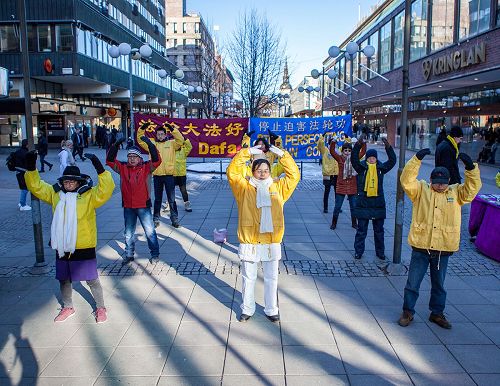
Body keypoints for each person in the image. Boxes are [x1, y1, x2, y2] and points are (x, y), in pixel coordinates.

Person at [24, 151, 115, 323]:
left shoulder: (89, 195)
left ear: (78, 181)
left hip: (83, 244)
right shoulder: (55, 193)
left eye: (72, 181)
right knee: (64, 279)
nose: (69, 184)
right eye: (66, 181)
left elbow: (106, 189)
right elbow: (36, 186)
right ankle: (67, 307)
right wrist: (31, 167)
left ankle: (101, 307)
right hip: (62, 245)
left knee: (91, 279)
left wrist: (100, 168)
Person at [398, 148, 481, 329]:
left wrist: (471, 168)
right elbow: (406, 181)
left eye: (443, 183)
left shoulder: (456, 193)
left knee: (439, 284)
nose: (440, 186)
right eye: (436, 183)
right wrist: (416, 159)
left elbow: (472, 189)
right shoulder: (421, 190)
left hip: (443, 248)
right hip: (421, 246)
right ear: (431, 181)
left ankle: (437, 313)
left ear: (449, 181)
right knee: (413, 282)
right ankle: (408, 311)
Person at [227, 143, 300, 323]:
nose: (262, 172)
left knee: (271, 277)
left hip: (271, 239)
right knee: (248, 277)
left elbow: (294, 175)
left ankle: (271, 309)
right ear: (252, 170)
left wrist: (278, 152)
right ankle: (247, 308)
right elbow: (232, 172)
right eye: (258, 169)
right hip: (250, 239)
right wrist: (249, 152)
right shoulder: (243, 188)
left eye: (265, 170)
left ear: (270, 171)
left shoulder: (278, 187)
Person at [107, 137, 161, 265]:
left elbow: (157, 160)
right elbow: (109, 161)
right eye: (130, 156)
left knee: (150, 232)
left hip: (143, 206)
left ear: (139, 158)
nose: (132, 159)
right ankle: (129, 254)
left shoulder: (147, 167)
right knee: (128, 233)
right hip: (128, 206)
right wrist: (115, 145)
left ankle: (155, 254)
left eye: (135, 156)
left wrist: (150, 145)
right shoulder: (122, 167)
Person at [351, 137, 397, 260]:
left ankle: (380, 252)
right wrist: (358, 145)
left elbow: (392, 161)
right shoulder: (361, 168)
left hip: (377, 204)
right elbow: (354, 159)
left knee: (379, 231)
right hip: (363, 204)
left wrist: (388, 147)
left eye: (374, 157)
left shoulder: (381, 169)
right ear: (367, 158)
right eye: (370, 157)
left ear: (376, 158)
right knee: (361, 231)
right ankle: (358, 252)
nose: (372, 159)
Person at [137, 122, 184, 228]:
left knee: (171, 199)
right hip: (157, 175)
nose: (160, 136)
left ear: (166, 134)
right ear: (156, 135)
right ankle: (156, 219)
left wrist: (172, 129)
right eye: (158, 134)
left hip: (169, 176)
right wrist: (142, 128)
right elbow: (140, 140)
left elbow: (180, 140)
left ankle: (175, 219)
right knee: (157, 199)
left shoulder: (172, 144)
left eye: (162, 134)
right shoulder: (152, 144)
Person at [329, 139, 366, 230]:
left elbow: (363, 152)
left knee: (353, 207)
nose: (347, 152)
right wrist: (333, 142)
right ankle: (334, 223)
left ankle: (354, 223)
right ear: (342, 151)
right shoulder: (339, 158)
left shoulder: (355, 158)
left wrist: (364, 143)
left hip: (352, 185)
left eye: (349, 150)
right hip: (341, 185)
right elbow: (332, 151)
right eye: (345, 150)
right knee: (337, 206)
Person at [317, 134, 339, 213]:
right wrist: (321, 138)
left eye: (335, 143)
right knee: (327, 191)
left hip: (336, 174)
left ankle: (338, 207)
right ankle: (325, 207)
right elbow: (320, 145)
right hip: (327, 174)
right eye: (333, 143)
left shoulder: (338, 150)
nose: (334, 144)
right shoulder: (325, 150)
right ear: (329, 143)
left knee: (337, 192)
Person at [173, 138, 193, 212]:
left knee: (183, 190)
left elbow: (190, 147)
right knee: (171, 190)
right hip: (172, 174)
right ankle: (170, 205)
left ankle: (187, 204)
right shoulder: (170, 151)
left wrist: (185, 139)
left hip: (181, 175)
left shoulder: (184, 151)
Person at [12, 139, 31, 211]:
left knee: (23, 188)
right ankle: (23, 205)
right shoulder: (26, 153)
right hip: (23, 173)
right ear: (27, 145)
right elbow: (27, 164)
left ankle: (21, 202)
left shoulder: (18, 151)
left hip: (18, 172)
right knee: (25, 189)